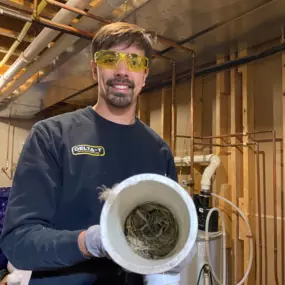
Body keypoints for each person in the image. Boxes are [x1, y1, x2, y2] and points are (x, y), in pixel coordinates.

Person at [0, 22, 180, 285]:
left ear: (145, 75)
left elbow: (169, 235)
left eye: (133, 61)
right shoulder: (52, 136)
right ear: (95, 70)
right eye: (110, 59)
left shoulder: (159, 151)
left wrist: (178, 254)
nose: (122, 70)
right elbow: (19, 243)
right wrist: (88, 243)